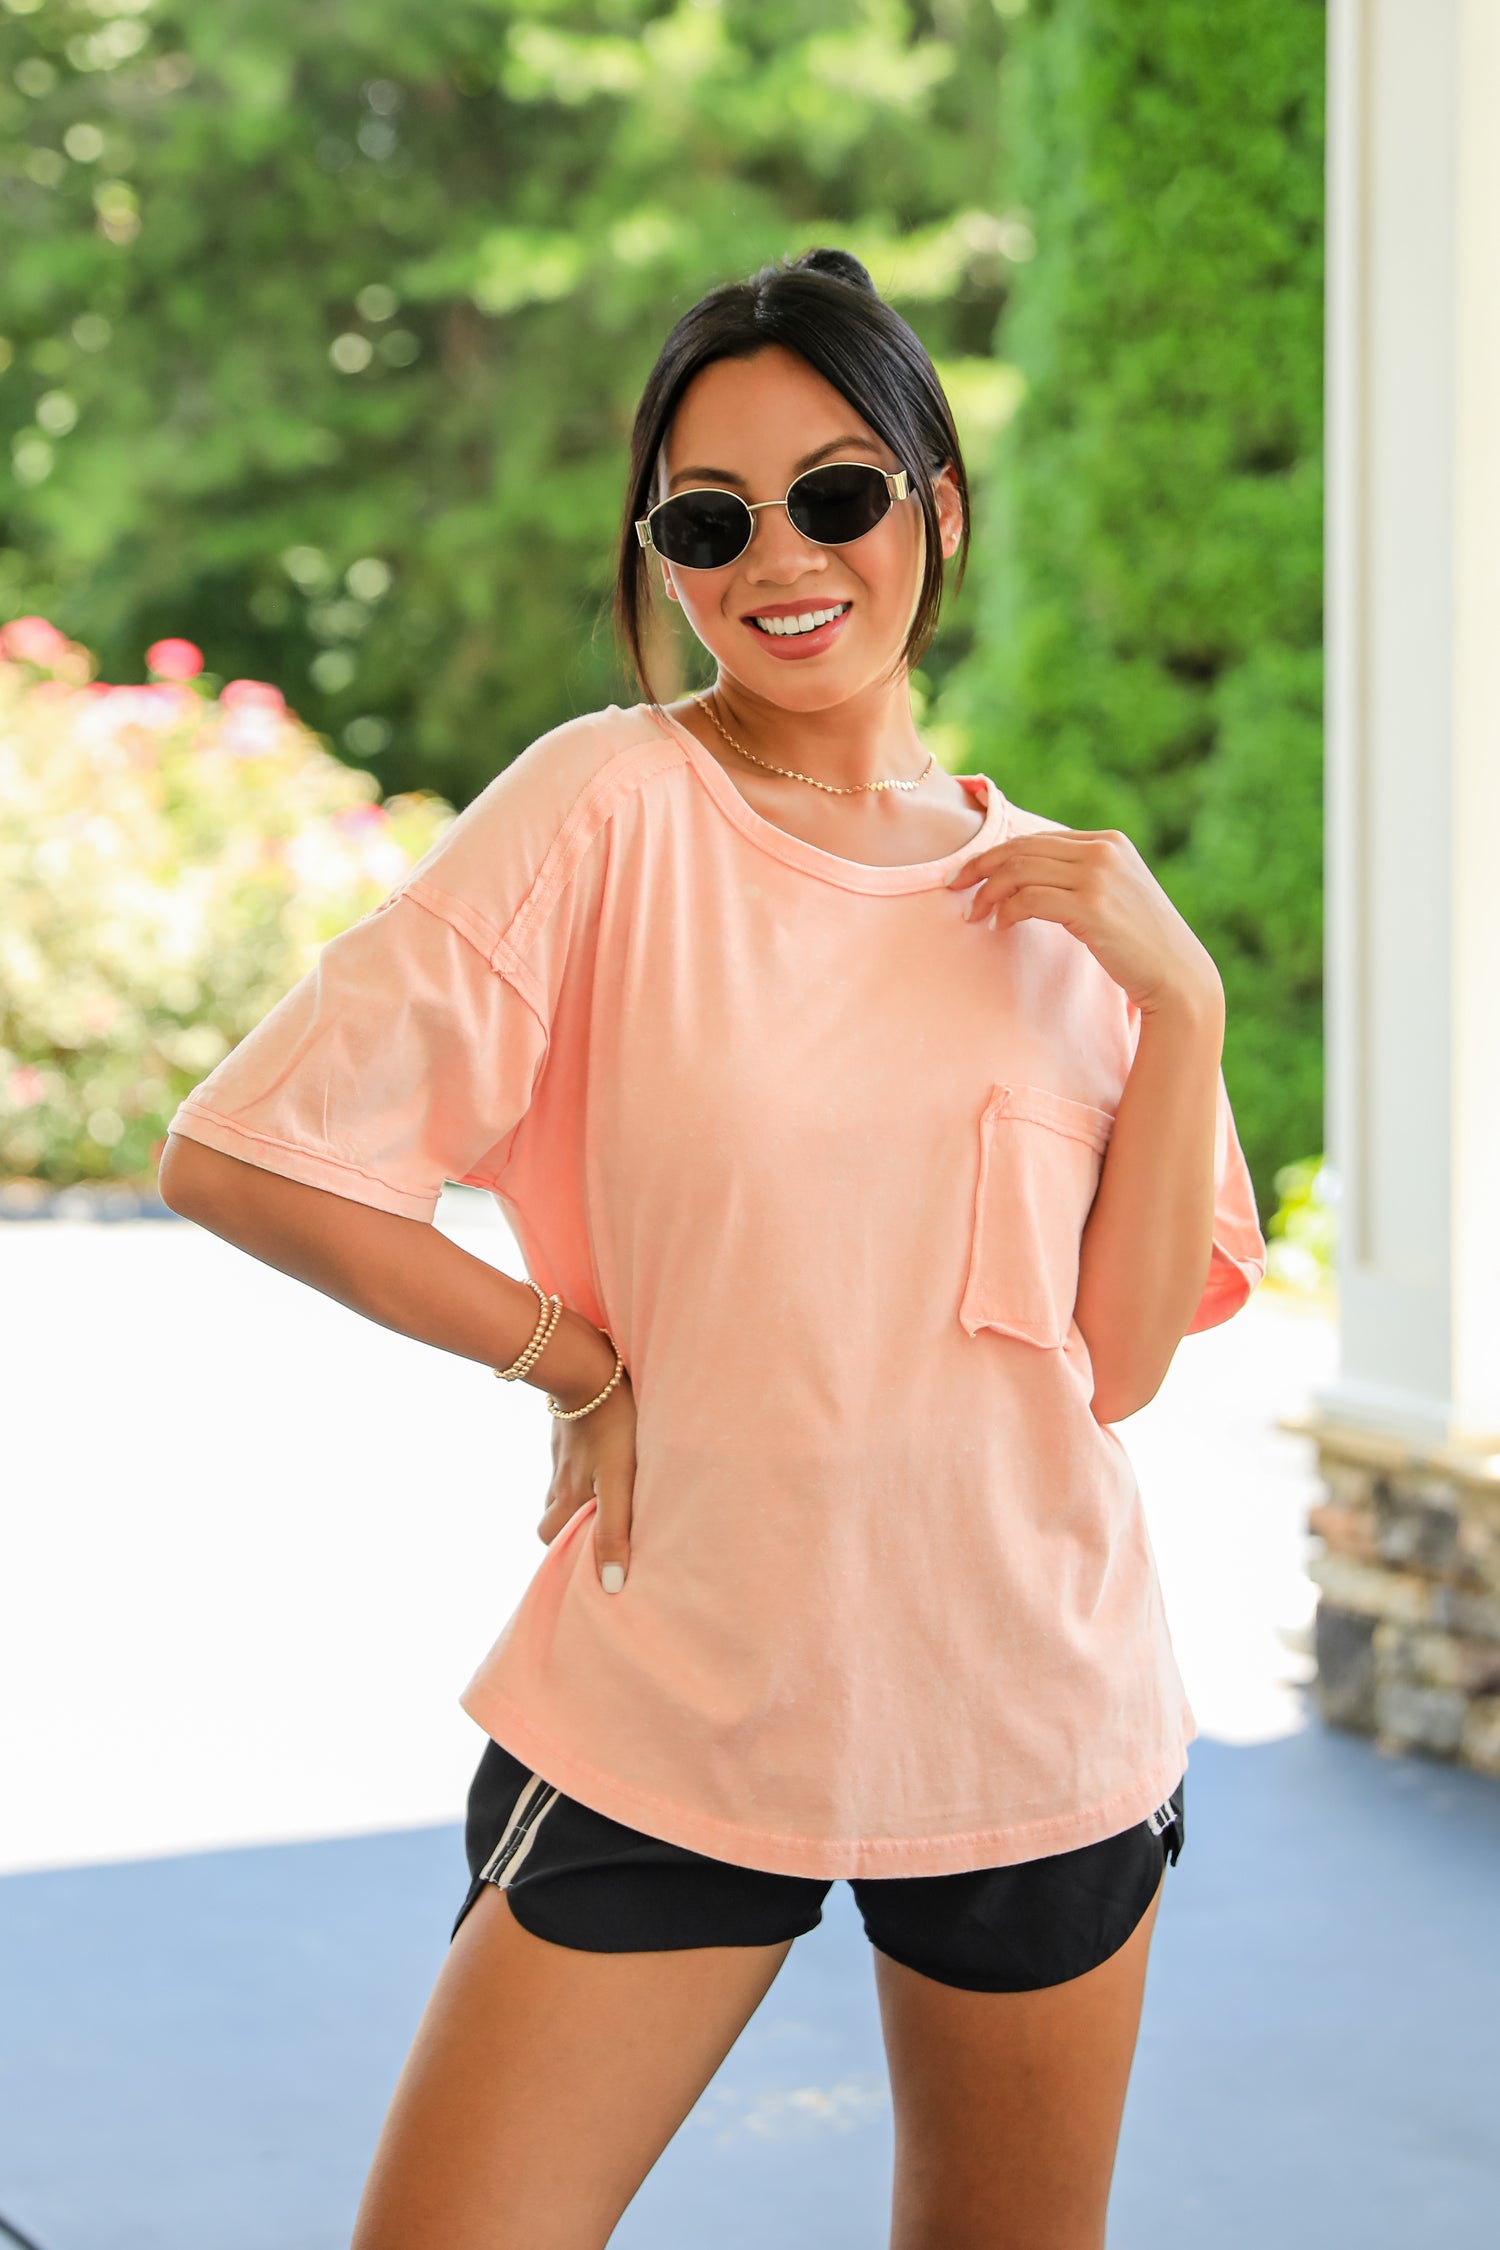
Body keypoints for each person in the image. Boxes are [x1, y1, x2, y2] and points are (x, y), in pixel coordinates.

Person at [158, 245, 1266, 2250]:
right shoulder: (610, 804)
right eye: (710, 517)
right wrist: (570, 1357)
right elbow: (249, 1155)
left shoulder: (1078, 919)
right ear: (664, 554)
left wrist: (1180, 1003)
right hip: (677, 1691)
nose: (782, 557)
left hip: (1028, 1706)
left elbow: (1115, 1367)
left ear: (934, 509)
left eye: (837, 494)